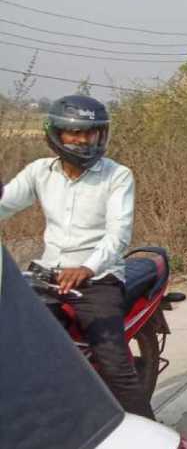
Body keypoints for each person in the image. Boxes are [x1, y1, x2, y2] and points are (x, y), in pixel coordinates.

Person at [0, 95, 154, 419]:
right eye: (75, 133)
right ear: (56, 134)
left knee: (114, 363)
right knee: (15, 343)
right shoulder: (39, 172)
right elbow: (5, 205)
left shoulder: (117, 175)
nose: (84, 140)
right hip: (47, 273)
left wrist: (87, 267)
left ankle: (151, 435)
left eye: (91, 133)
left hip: (98, 278)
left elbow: (118, 233)